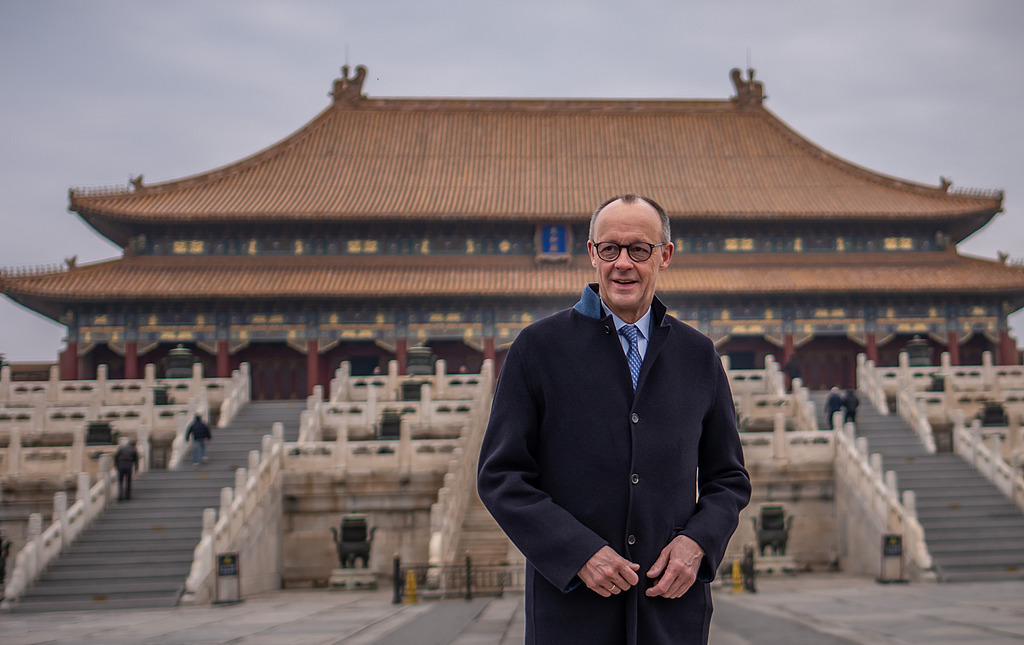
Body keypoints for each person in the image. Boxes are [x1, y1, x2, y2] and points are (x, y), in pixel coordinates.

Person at [477, 194, 751, 645]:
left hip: (670, 608)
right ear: (592, 253)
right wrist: (578, 552)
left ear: (665, 255)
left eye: (639, 250)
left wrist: (698, 543)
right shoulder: (538, 349)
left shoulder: (697, 355)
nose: (623, 264)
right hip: (572, 611)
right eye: (610, 249)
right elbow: (500, 476)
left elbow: (729, 478)